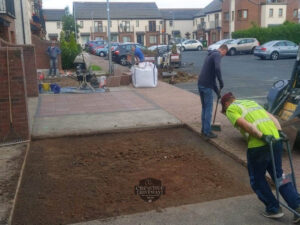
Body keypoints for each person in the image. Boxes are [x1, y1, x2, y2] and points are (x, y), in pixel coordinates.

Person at [221, 92, 300, 222]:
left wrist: (261, 136)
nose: (226, 113)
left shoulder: (231, 109)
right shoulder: (251, 103)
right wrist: (280, 132)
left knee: (257, 178)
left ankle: (273, 209)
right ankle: (297, 206)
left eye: (224, 110)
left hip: (259, 145)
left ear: (226, 103)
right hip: (275, 141)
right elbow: (272, 118)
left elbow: (244, 124)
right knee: (279, 175)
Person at [198, 44, 228, 138]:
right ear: (223, 50)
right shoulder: (217, 55)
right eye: (225, 53)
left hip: (201, 84)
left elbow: (212, 78)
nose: (223, 56)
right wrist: (221, 81)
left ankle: (204, 129)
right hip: (206, 86)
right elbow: (217, 68)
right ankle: (207, 132)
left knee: (204, 108)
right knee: (208, 109)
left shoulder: (210, 54)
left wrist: (217, 92)